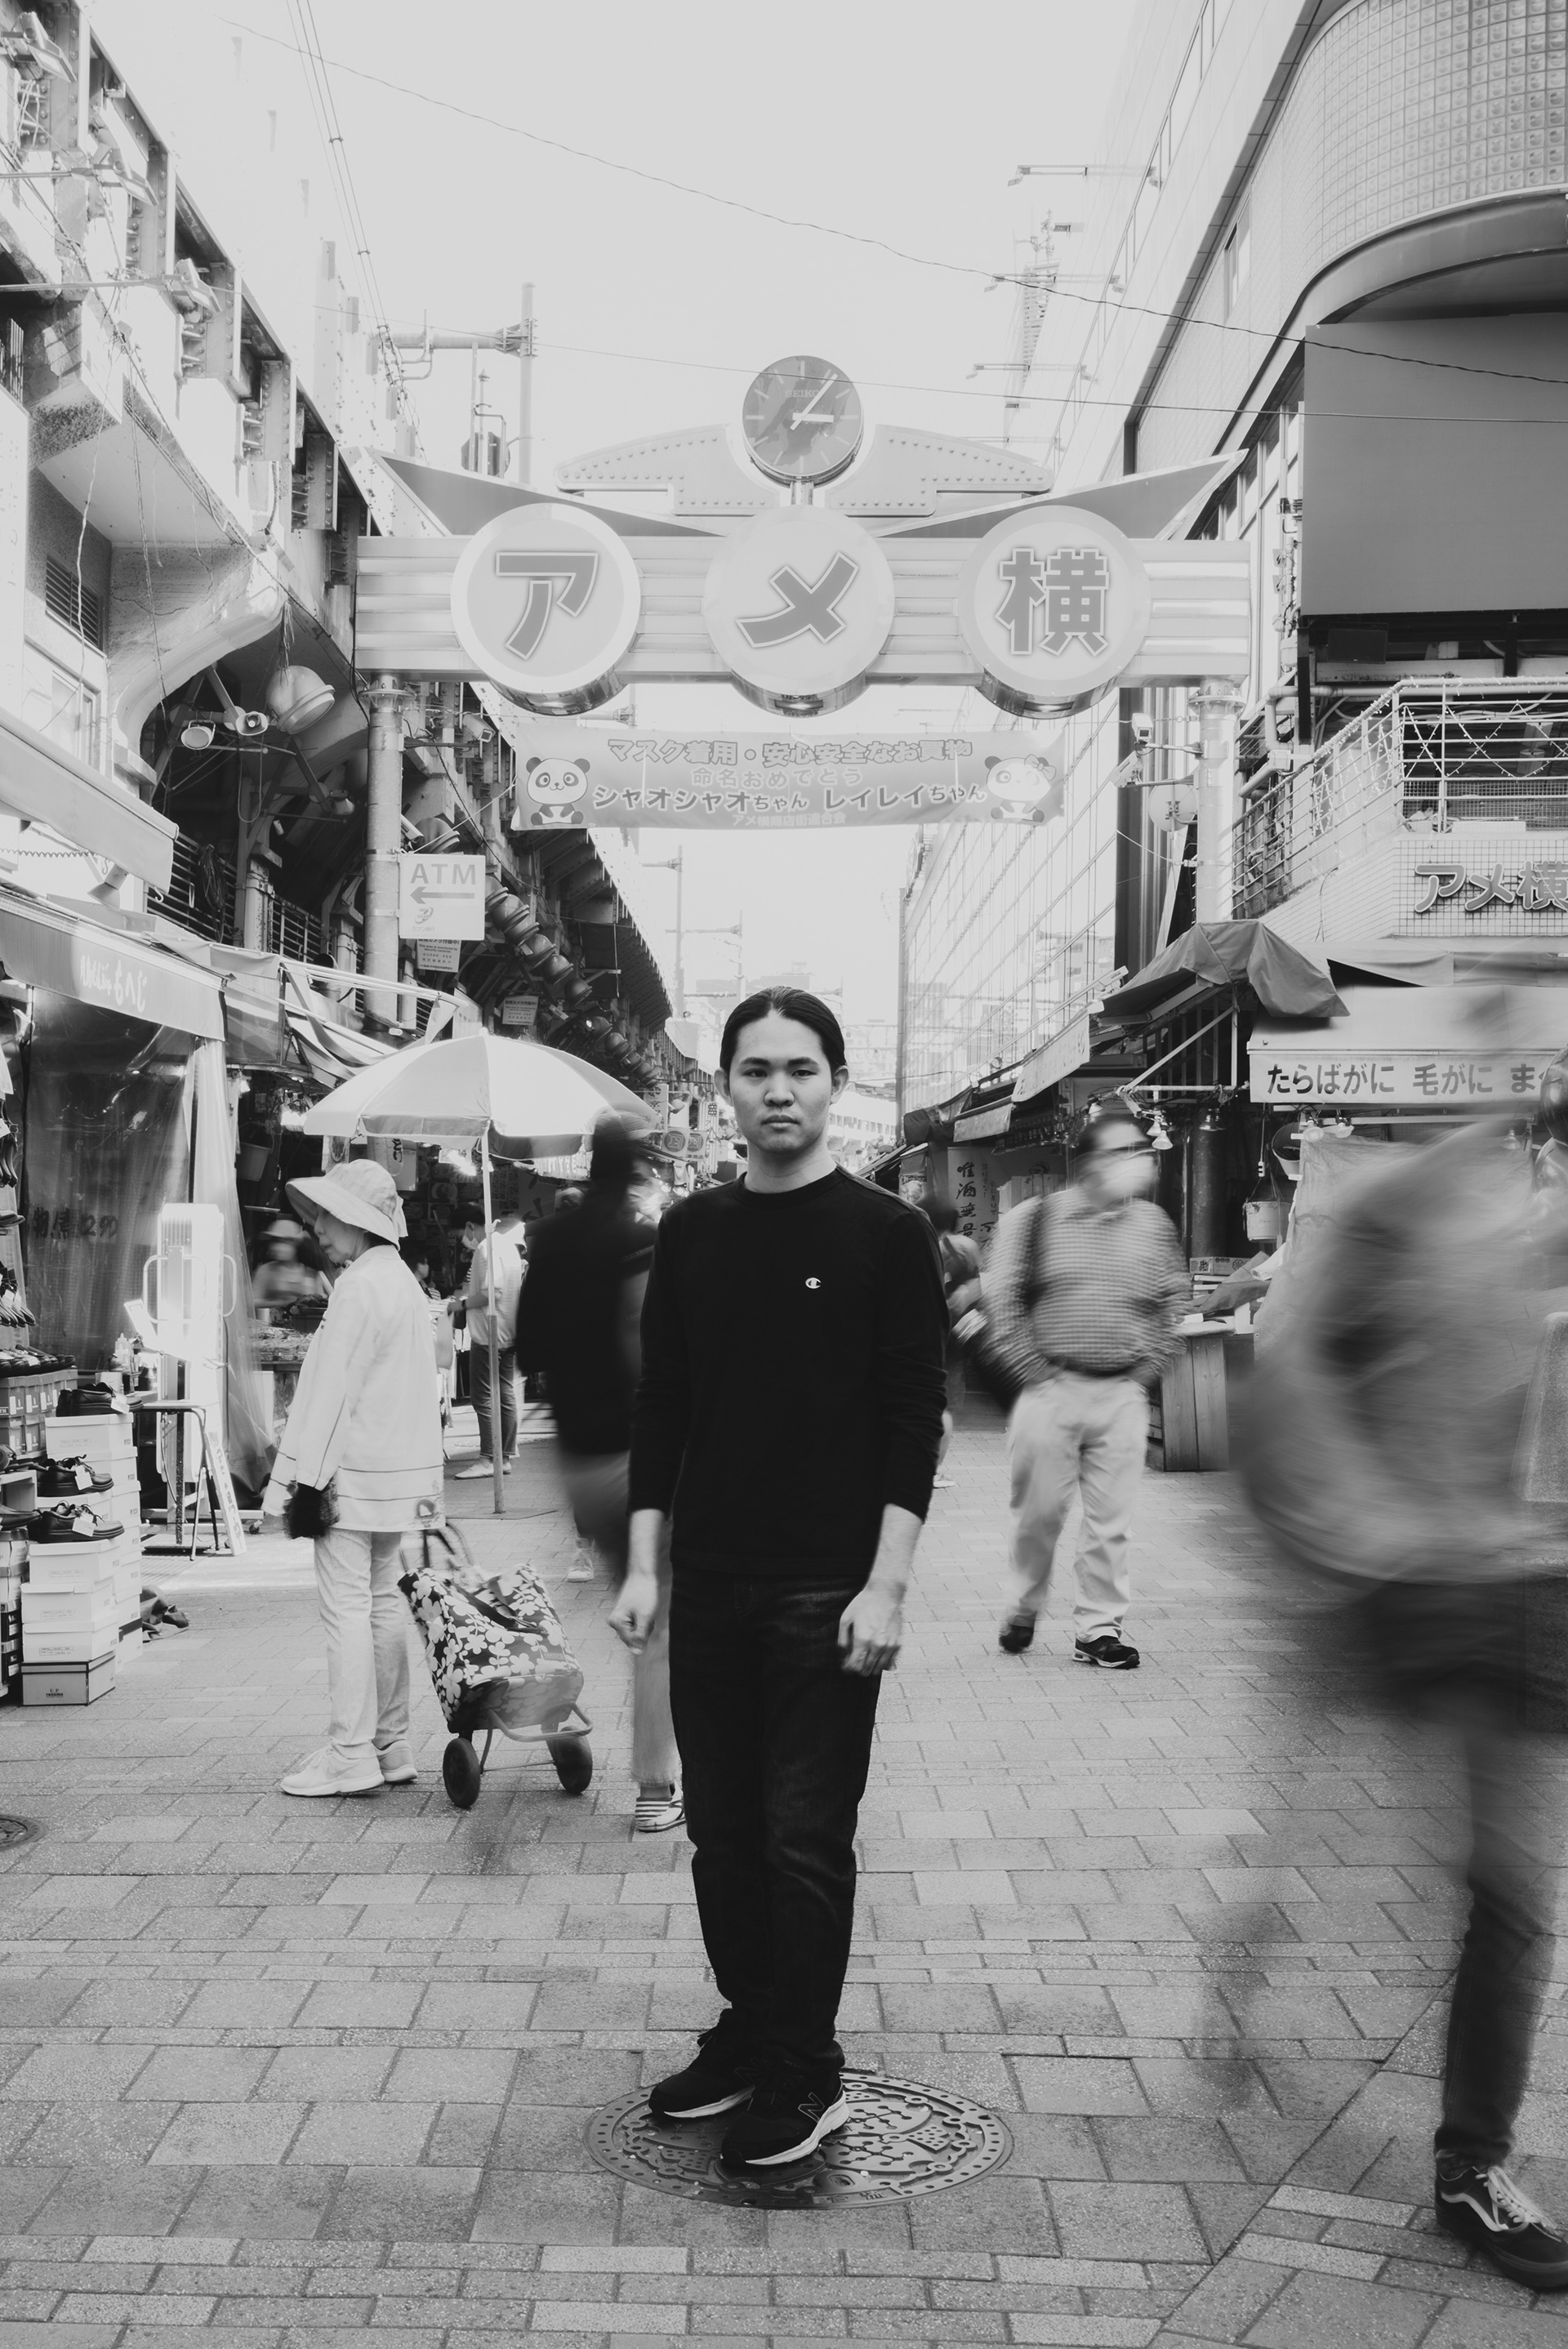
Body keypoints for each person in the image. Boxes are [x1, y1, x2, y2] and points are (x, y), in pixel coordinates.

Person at [613, 987, 947, 2169]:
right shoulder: (693, 1229)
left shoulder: (886, 1232)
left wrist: (888, 1584)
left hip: (827, 1587)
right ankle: (753, 2027)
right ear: (728, 1090)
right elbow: (665, 1402)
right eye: (756, 1070)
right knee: (722, 1835)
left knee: (804, 1838)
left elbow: (913, 1416)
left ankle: (807, 2066)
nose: (779, 1090)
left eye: (801, 1069)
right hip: (709, 1579)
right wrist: (645, 1564)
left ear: (836, 1083)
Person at [1245, 1129, 1568, 2289]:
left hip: (1528, 1588)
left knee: (1501, 1888)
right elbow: (1291, 1382)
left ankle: (1460, 2149)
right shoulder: (1403, 1204)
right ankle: (1469, 2159)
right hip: (1441, 1595)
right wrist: (1364, 1530)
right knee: (1499, 1886)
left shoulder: (1532, 1221)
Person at [516, 1116, 681, 1834]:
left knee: (633, 1607)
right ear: (639, 1173)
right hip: (637, 1455)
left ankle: (555, 1718)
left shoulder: (550, 1237)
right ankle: (654, 1788)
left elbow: (528, 1348)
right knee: (658, 1624)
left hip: (576, 1460)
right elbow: (645, 1343)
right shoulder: (638, 1240)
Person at [262, 1159, 443, 1799]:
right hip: (397, 1474)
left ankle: (350, 1753)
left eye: (328, 1215)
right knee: (384, 1602)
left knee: (347, 1607)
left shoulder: (359, 1287)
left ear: (357, 1220)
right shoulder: (400, 1282)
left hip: (350, 1472)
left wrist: (295, 1482)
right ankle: (390, 1744)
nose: (318, 1226)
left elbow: (330, 1395)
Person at [983, 1111, 1187, 1670]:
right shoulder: (1035, 1219)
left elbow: (1173, 1297)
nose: (1138, 1161)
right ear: (1090, 1162)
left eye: (1141, 1151)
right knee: (1039, 1517)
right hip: (1051, 1388)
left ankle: (1099, 1629)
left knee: (1111, 1524)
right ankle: (1023, 1606)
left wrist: (1148, 1368)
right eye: (1123, 1151)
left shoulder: (1153, 1224)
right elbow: (1003, 1300)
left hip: (1121, 1392)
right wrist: (1034, 1371)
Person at [455, 1210, 524, 1479]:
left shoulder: (487, 1248)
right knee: (505, 1394)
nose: (464, 1240)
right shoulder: (507, 1246)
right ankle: (503, 1457)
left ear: (470, 1226)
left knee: (483, 1397)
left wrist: (458, 1305)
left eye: (462, 1233)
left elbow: (490, 1293)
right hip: (508, 1331)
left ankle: (488, 1458)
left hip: (488, 1333)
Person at [923, 1199, 982, 1490]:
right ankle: (933, 1472)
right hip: (952, 1340)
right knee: (943, 1408)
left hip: (917, 1336)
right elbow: (977, 1290)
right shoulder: (964, 1249)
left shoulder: (913, 1244)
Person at [252, 1219, 327, 1318]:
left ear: (295, 1244)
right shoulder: (266, 1271)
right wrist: (282, 1303)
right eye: (275, 1242)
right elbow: (252, 1302)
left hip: (305, 1327)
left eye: (283, 1242)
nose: (276, 1247)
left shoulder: (311, 1274)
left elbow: (320, 1304)